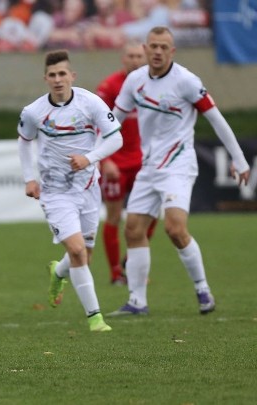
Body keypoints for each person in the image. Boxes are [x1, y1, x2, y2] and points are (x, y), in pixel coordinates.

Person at [108, 26, 250, 317]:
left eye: (164, 47)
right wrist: (93, 155)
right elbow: (113, 121)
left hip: (178, 166)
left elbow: (216, 119)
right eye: (154, 46)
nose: (158, 52)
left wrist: (239, 159)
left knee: (174, 229)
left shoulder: (186, 81)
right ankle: (137, 301)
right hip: (148, 167)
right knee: (133, 229)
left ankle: (202, 289)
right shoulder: (134, 81)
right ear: (146, 50)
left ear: (172, 52)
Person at [17, 50, 123, 332]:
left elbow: (116, 138)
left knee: (84, 256)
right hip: (55, 192)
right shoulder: (34, 112)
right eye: (52, 75)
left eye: (62, 74)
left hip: (88, 188)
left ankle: (58, 271)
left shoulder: (91, 103)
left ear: (72, 76)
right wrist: (30, 178)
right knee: (77, 251)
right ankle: (96, 318)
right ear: (45, 79)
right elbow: (25, 141)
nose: (57, 79)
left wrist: (89, 158)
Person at [95, 40, 157, 285]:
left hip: (144, 161)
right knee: (114, 216)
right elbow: (97, 124)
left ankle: (130, 263)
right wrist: (105, 159)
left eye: (138, 56)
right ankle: (115, 273)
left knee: (151, 216)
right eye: (130, 56)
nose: (135, 60)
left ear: (145, 58)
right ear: (123, 58)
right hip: (116, 163)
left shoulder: (155, 85)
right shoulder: (110, 86)